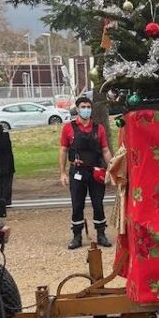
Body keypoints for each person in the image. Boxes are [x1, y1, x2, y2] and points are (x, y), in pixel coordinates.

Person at [59, 96, 113, 249]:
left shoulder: (99, 128)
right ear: (77, 109)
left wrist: (111, 169)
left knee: (98, 203)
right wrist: (62, 172)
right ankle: (77, 236)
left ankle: (101, 234)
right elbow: (63, 150)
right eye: (83, 106)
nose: (86, 110)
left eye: (88, 107)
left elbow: (105, 150)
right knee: (77, 204)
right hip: (77, 171)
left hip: (96, 171)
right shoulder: (68, 128)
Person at [0, 122, 15, 218]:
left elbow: (4, 148)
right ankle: (1, 200)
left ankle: (5, 200)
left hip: (6, 164)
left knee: (6, 184)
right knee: (0, 185)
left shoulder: (4, 137)